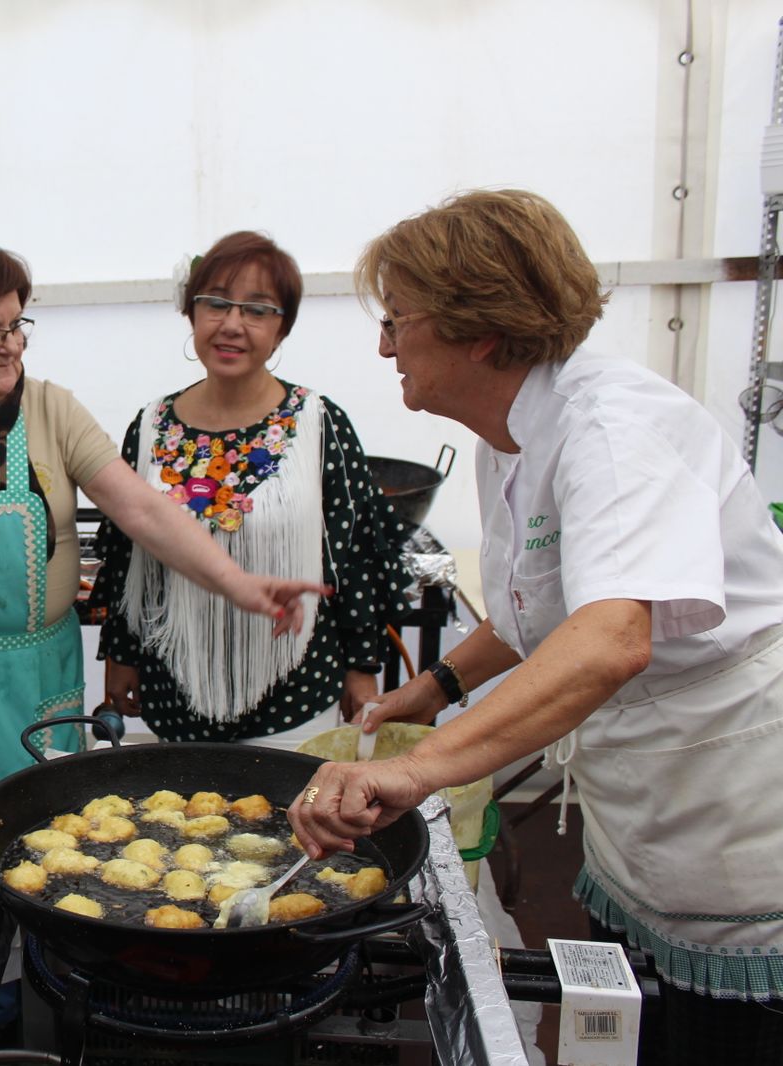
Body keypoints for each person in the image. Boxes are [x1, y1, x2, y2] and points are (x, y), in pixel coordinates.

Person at [287, 189, 783, 1064]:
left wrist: (413, 771)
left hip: (734, 792)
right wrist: (432, 688)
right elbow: (540, 606)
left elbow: (612, 637)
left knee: (720, 1039)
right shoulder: (509, 435)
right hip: (644, 791)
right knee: (640, 1024)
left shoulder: (613, 428)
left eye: (399, 320)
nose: (383, 344)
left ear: (480, 330)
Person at [0, 244, 327, 929]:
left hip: (37, 671)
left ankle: (36, 973)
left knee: (54, 841)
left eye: (18, 326)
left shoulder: (51, 412)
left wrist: (236, 583)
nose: (12, 347)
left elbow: (144, 508)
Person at [88, 232, 410, 746]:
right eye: (215, 303)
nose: (232, 325)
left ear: (282, 329)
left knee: (296, 819)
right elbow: (129, 556)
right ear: (191, 313)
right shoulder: (150, 426)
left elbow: (351, 557)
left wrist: (362, 667)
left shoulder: (318, 422)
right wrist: (120, 657)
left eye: (257, 310)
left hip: (296, 687)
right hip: (174, 687)